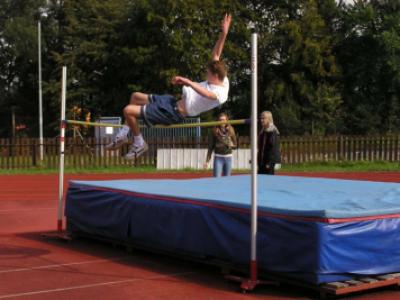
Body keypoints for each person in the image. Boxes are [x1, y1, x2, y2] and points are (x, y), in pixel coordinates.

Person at [106, 14, 232, 160]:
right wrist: (224, 34)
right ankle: (123, 134)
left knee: (128, 110)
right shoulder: (222, 78)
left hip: (173, 113)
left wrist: (188, 81)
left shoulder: (221, 93)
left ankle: (139, 143)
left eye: (207, 73)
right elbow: (216, 54)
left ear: (215, 76)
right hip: (171, 102)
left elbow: (207, 95)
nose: (205, 74)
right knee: (135, 96)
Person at [204, 112, 237, 177]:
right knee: (216, 180)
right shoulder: (214, 130)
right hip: (218, 158)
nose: (222, 121)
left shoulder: (231, 129)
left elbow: (235, 145)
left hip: (228, 158)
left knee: (227, 180)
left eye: (224, 120)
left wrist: (232, 145)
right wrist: (207, 161)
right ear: (218, 121)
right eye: (220, 120)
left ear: (227, 120)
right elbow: (210, 147)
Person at [257, 111, 281, 175]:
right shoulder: (263, 131)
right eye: (261, 118)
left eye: (263, 118)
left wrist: (269, 162)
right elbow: (261, 147)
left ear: (269, 119)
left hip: (268, 162)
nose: (261, 120)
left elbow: (273, 148)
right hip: (262, 161)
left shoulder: (273, 131)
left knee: (268, 181)